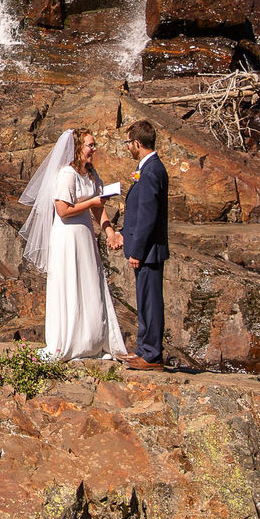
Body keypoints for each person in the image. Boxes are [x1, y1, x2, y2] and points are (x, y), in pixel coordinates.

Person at [16, 128, 128, 361]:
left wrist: (109, 232)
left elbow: (99, 207)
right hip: (67, 237)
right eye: (90, 145)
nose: (94, 149)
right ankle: (70, 341)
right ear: (78, 148)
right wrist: (92, 202)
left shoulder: (91, 174)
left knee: (90, 282)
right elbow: (63, 210)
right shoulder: (67, 174)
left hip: (85, 235)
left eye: (94, 145)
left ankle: (93, 339)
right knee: (71, 283)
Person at [108, 119, 169, 370]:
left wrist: (137, 250)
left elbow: (148, 216)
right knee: (144, 301)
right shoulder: (147, 168)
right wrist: (123, 233)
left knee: (151, 302)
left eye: (128, 143)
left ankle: (152, 354)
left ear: (137, 143)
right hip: (144, 248)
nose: (127, 148)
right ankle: (144, 349)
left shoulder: (152, 170)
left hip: (149, 251)